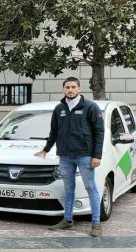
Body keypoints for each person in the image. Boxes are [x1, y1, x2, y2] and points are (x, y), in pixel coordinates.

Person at [35, 76, 104, 237]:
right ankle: (68, 220)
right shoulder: (59, 109)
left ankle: (96, 223)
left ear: (79, 89)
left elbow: (99, 132)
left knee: (90, 188)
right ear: (63, 89)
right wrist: (46, 149)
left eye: (73, 87)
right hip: (65, 156)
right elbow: (54, 132)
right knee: (68, 189)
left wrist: (97, 156)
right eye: (67, 87)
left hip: (85, 156)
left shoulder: (90, 107)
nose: (70, 90)